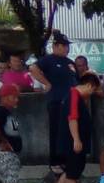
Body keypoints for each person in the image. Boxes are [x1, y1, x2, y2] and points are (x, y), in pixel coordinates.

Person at [49, 72, 101, 183]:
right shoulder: (73, 95)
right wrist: (76, 140)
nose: (92, 93)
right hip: (72, 142)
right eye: (93, 90)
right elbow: (72, 119)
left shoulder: (76, 97)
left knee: (73, 169)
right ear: (89, 85)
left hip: (75, 141)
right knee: (72, 173)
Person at [30, 31, 78, 174]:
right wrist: (46, 83)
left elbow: (76, 80)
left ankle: (65, 159)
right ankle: (55, 161)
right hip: (56, 101)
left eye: (67, 46)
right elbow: (33, 68)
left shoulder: (70, 62)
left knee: (68, 132)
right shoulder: (49, 60)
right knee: (56, 132)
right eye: (63, 46)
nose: (66, 48)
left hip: (70, 102)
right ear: (55, 46)